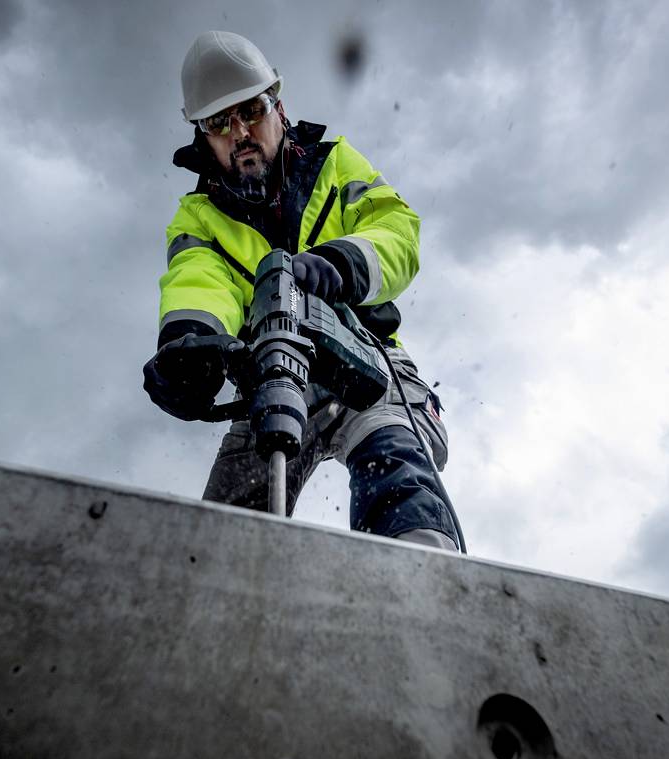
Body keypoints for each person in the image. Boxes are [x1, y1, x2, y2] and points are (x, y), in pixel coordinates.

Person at [143, 31, 461, 552]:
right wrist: (190, 342)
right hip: (270, 376)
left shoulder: (335, 163)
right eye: (221, 122)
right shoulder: (198, 217)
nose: (240, 131)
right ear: (203, 135)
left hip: (366, 359)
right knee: (222, 538)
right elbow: (197, 280)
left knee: (394, 462)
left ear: (278, 105)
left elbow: (396, 229)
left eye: (251, 109)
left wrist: (344, 261)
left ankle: (421, 569)